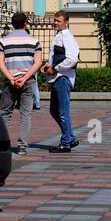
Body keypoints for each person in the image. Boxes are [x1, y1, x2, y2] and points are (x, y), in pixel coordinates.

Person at [0, 12, 42, 155]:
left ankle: (2, 145)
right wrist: (25, 77)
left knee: (5, 114)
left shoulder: (4, 41)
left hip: (10, 82)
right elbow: (38, 63)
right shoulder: (34, 41)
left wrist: (10, 78)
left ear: (12, 24)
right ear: (25, 24)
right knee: (25, 114)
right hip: (27, 82)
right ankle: (22, 146)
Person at [42, 10, 80, 152]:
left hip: (63, 78)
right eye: (55, 20)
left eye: (58, 20)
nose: (55, 23)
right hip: (57, 78)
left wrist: (56, 69)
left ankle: (65, 143)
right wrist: (48, 66)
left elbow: (72, 59)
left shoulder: (67, 37)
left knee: (62, 112)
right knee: (54, 110)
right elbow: (57, 56)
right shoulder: (59, 36)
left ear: (66, 22)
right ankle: (70, 137)